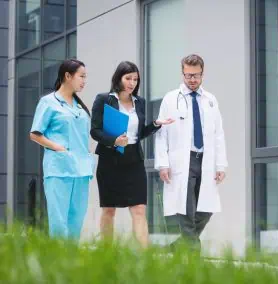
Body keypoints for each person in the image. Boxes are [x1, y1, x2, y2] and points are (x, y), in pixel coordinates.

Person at [91, 61, 174, 247]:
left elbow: (139, 133)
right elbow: (94, 131)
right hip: (109, 160)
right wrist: (114, 141)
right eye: (128, 78)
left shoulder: (140, 102)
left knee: (138, 209)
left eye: (135, 79)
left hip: (134, 160)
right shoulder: (104, 99)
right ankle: (107, 252)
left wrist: (155, 124)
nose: (132, 83)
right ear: (119, 78)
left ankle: (144, 257)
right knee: (109, 209)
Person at [155, 54, 228, 251]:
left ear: (202, 74)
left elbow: (218, 134)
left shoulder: (210, 100)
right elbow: (161, 133)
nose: (192, 80)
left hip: (205, 159)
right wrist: (163, 163)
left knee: (206, 209)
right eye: (188, 75)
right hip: (182, 160)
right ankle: (194, 254)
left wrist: (221, 165)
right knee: (186, 209)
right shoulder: (171, 99)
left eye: (196, 75)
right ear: (182, 73)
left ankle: (179, 246)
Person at [30, 59, 92, 240]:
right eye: (81, 76)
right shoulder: (48, 102)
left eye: (85, 77)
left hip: (81, 170)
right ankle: (57, 265)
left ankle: (71, 265)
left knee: (76, 221)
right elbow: (34, 134)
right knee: (59, 223)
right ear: (67, 76)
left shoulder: (80, 106)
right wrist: (56, 147)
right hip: (59, 169)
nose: (84, 81)